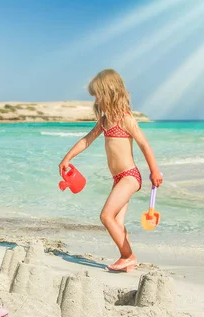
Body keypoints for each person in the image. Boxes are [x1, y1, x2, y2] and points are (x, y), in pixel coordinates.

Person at [58, 69, 163, 272]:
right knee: (116, 221)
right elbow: (87, 140)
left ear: (109, 92)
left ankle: (128, 256)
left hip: (130, 177)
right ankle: (126, 263)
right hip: (118, 178)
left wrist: (155, 171)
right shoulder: (105, 121)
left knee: (106, 216)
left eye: (98, 94)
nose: (96, 100)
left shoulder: (126, 119)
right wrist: (67, 158)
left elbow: (144, 144)